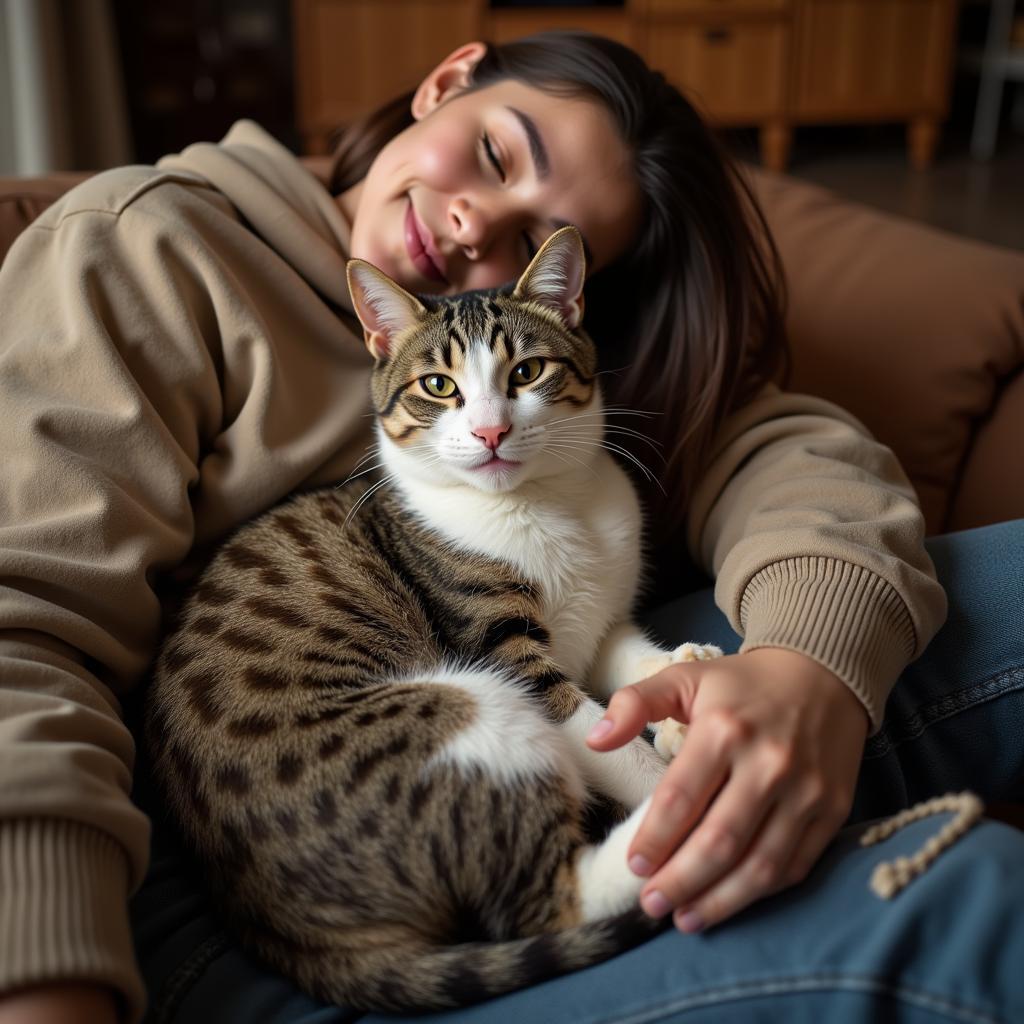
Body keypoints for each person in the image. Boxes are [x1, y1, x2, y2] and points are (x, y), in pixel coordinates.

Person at [0, 30, 1021, 1024]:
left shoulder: (532, 333)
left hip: (553, 720)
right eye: (496, 152)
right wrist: (45, 971)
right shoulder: (147, 242)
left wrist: (811, 669)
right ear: (446, 80)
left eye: (536, 240)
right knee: (979, 906)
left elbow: (782, 449)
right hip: (271, 860)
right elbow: (23, 622)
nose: (474, 228)